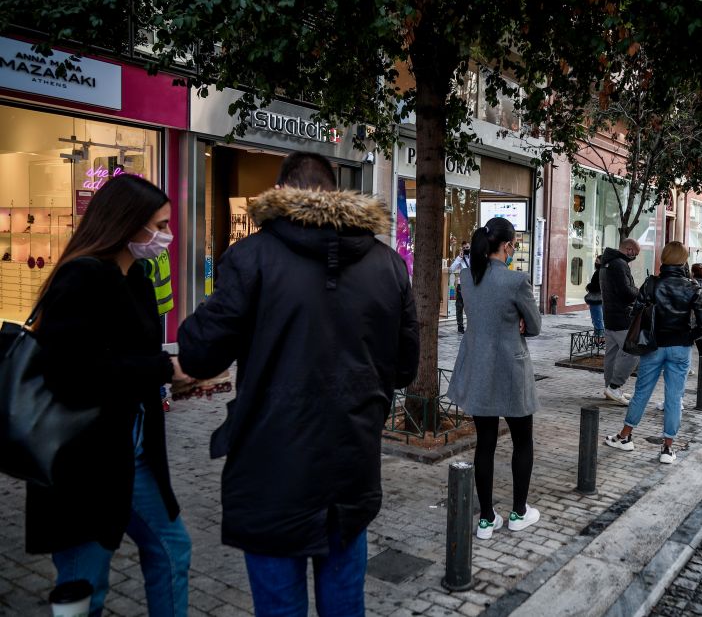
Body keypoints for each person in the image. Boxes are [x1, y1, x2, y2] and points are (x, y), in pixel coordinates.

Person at [177, 152, 419, 616]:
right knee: (344, 603)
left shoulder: (250, 258)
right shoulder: (389, 266)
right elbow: (406, 367)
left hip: (271, 470)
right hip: (351, 466)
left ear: (282, 192)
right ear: (337, 193)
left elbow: (198, 352)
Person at [27, 175, 192, 617]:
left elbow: (134, 359)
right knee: (85, 586)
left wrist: (175, 381)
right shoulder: (80, 278)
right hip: (85, 464)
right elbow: (72, 374)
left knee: (173, 550)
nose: (165, 237)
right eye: (158, 225)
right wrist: (163, 369)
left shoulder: (134, 276)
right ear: (127, 224)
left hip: (134, 455)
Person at [446, 216, 543, 539]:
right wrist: (520, 323)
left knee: (484, 444)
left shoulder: (466, 276)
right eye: (513, 244)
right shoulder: (516, 281)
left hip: (478, 367)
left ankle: (486, 519)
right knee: (522, 441)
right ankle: (519, 512)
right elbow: (536, 325)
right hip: (511, 368)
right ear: (506, 246)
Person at [604, 242, 702, 463]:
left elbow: (636, 312)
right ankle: (667, 450)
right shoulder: (692, 287)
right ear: (683, 260)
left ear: (664, 259)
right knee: (673, 397)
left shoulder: (652, 284)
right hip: (680, 347)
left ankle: (625, 436)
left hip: (653, 346)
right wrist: (688, 337)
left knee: (642, 392)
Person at [599, 238, 642, 405]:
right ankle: (614, 387)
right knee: (633, 351)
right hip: (622, 316)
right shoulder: (619, 264)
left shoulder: (606, 263)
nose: (635, 257)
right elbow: (626, 292)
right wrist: (639, 290)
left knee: (611, 354)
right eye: (635, 254)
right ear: (629, 250)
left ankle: (609, 388)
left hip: (609, 315)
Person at [450, 240, 471, 333]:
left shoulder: (474, 258)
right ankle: (460, 326)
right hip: (461, 285)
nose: (466, 249)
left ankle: (471, 326)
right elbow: (451, 269)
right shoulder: (460, 259)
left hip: (472, 285)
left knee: (470, 307)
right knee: (459, 306)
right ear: (462, 249)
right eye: (464, 248)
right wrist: (459, 258)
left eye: (467, 247)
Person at [585, 257, 605, 342]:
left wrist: (589, 286)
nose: (595, 262)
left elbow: (598, 286)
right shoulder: (605, 271)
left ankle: (599, 339)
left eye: (597, 261)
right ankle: (600, 337)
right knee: (600, 319)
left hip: (596, 299)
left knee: (597, 319)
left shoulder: (599, 272)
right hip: (602, 299)